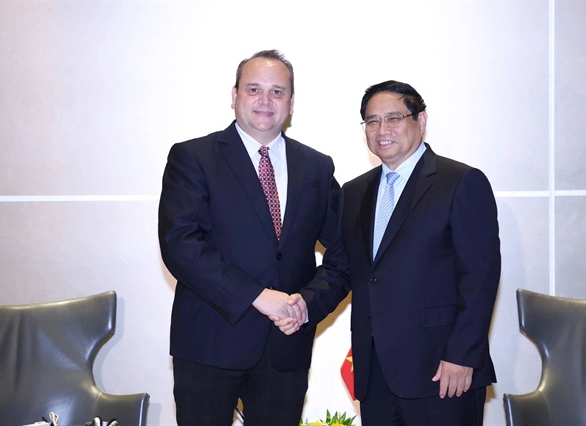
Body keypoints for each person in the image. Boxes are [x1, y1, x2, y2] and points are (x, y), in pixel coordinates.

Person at [282, 80, 501, 425]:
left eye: (394, 118)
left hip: (441, 373)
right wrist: (304, 305)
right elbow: (342, 269)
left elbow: (480, 277)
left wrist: (463, 356)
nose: (382, 129)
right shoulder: (355, 192)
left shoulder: (460, 182)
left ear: (421, 120)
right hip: (375, 373)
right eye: (372, 121)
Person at [158, 49, 339, 426]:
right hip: (209, 343)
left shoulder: (317, 167)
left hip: (286, 346)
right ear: (234, 95)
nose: (264, 100)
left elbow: (344, 254)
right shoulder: (193, 157)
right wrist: (258, 297)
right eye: (254, 89)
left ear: (291, 102)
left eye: (277, 92)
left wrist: (306, 304)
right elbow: (181, 244)